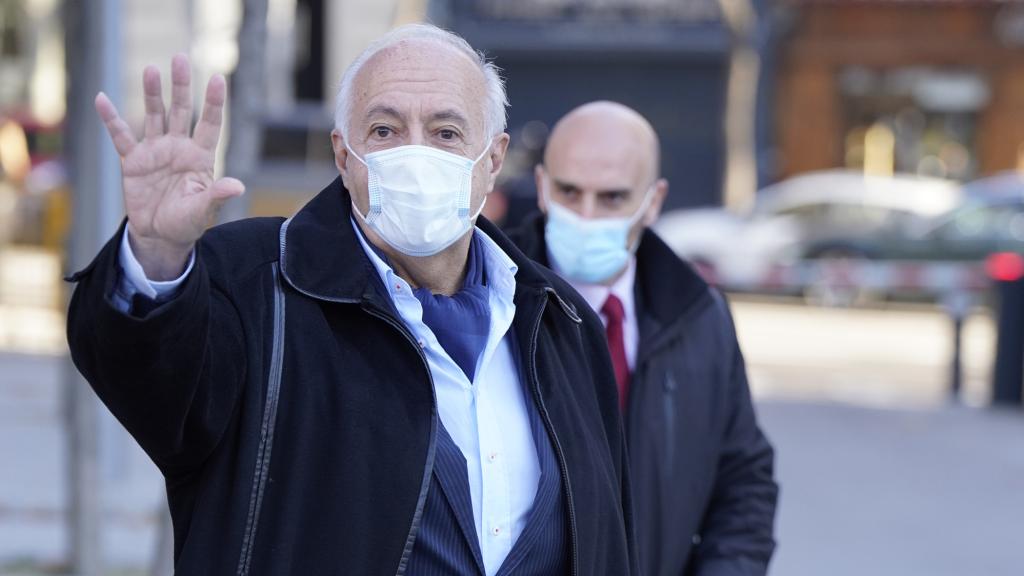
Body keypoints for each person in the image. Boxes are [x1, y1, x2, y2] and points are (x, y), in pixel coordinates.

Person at [67, 25, 638, 575]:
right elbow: (154, 384)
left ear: (491, 160)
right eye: (385, 131)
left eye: (445, 133)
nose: (415, 156)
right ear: (344, 156)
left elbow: (605, 537)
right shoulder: (255, 285)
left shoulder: (559, 321)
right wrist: (158, 252)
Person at [510, 101, 778, 576]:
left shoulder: (699, 316)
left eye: (612, 198)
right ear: (542, 187)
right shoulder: (490, 303)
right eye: (569, 192)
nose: (586, 215)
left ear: (652, 202)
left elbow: (743, 480)